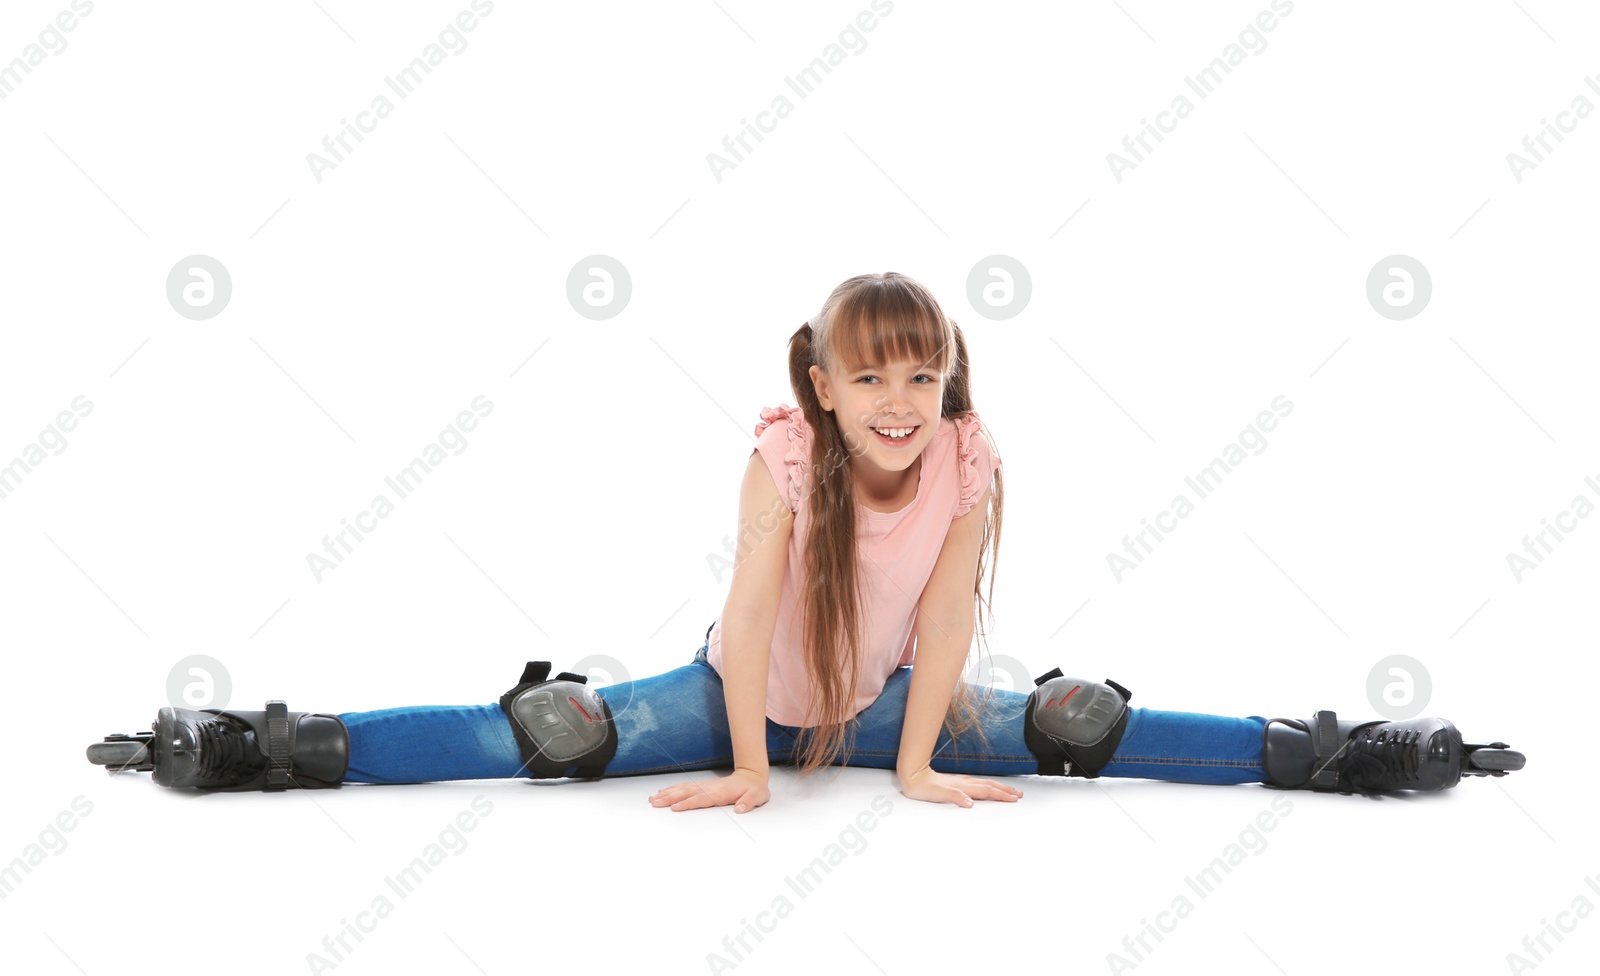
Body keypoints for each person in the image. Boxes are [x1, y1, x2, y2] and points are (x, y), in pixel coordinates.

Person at [86, 272, 1524, 807]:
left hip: (895, 703)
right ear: (821, 387)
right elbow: (760, 612)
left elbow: (952, 625)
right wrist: (752, 775)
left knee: (1083, 721)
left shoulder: (969, 458)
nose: (900, 401)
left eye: (924, 373)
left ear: (944, 386)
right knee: (557, 735)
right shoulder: (784, 459)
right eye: (871, 376)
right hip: (738, 695)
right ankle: (257, 746)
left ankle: (1343, 754)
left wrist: (915, 764)